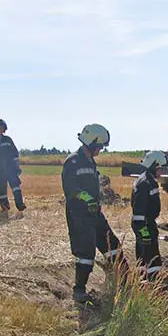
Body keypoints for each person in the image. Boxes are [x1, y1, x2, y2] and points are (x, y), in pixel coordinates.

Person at [61, 123, 127, 302]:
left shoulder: (90, 161)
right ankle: (79, 290)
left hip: (95, 213)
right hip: (79, 214)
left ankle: (126, 283)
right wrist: (87, 199)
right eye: (100, 146)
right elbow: (71, 189)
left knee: (113, 246)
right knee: (86, 252)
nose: (101, 150)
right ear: (91, 143)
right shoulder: (73, 161)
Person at [131, 150, 167, 279]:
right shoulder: (145, 183)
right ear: (153, 166)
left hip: (147, 223)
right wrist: (144, 232)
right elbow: (138, 211)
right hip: (144, 224)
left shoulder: (148, 180)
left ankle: (144, 281)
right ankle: (151, 282)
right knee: (151, 256)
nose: (162, 172)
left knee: (145, 255)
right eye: (160, 168)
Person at [0, 118, 26, 212]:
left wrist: (17, 166)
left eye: (2, 128)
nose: (0, 129)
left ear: (4, 129)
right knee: (2, 188)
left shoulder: (8, 140)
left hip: (10, 167)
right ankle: (5, 207)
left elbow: (15, 154)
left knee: (16, 186)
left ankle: (20, 205)